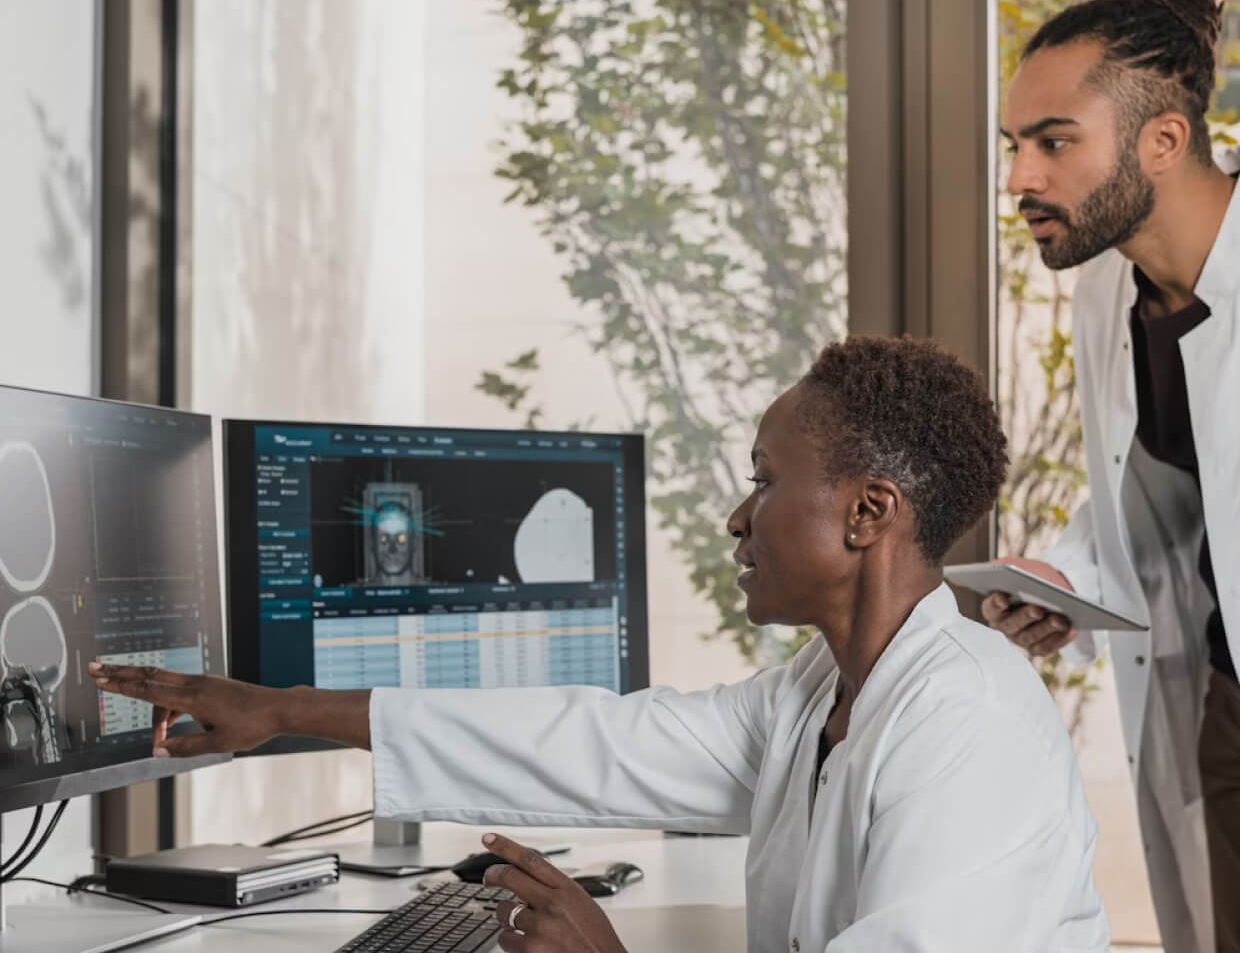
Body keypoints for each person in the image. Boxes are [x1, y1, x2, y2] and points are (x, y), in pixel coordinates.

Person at [90, 336, 1110, 952]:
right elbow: (601, 739)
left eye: (763, 479)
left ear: (866, 512)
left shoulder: (967, 722)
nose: (737, 516)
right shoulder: (823, 690)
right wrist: (281, 709)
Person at [990, 0, 1240, 953]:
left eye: (1052, 142)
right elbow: (1157, 502)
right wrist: (1066, 577)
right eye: (1012, 144)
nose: (1018, 178)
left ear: (1161, 139)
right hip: (1221, 711)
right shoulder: (1109, 291)